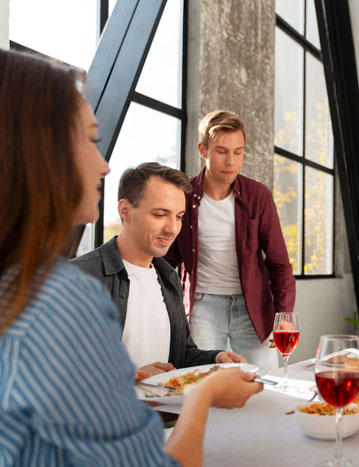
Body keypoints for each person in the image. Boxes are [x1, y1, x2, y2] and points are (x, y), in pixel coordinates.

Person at [0, 49, 262, 466]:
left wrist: (210, 362)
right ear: (35, 153)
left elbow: (176, 356)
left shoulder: (167, 277)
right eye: (87, 140)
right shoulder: (68, 291)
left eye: (178, 216)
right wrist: (207, 393)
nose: (102, 165)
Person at [72, 162, 247, 376]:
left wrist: (216, 358)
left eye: (179, 217)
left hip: (162, 409)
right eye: (160, 215)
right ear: (125, 210)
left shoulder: (168, 278)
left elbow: (181, 355)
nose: (172, 229)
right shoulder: (79, 278)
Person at [166, 110, 295, 370]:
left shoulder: (258, 196)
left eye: (238, 152)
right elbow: (168, 260)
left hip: (253, 307)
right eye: (222, 151)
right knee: (201, 378)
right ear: (203, 150)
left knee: (264, 382)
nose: (231, 161)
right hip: (202, 305)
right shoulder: (185, 196)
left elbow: (279, 262)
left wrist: (284, 315)